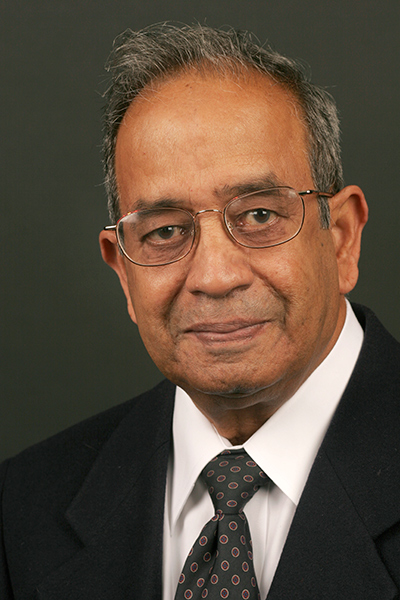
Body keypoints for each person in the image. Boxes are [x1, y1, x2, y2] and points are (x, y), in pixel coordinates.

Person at [1, 23, 399, 600]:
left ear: (341, 239)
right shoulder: (23, 509)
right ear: (123, 272)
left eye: (260, 215)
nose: (215, 277)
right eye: (165, 231)